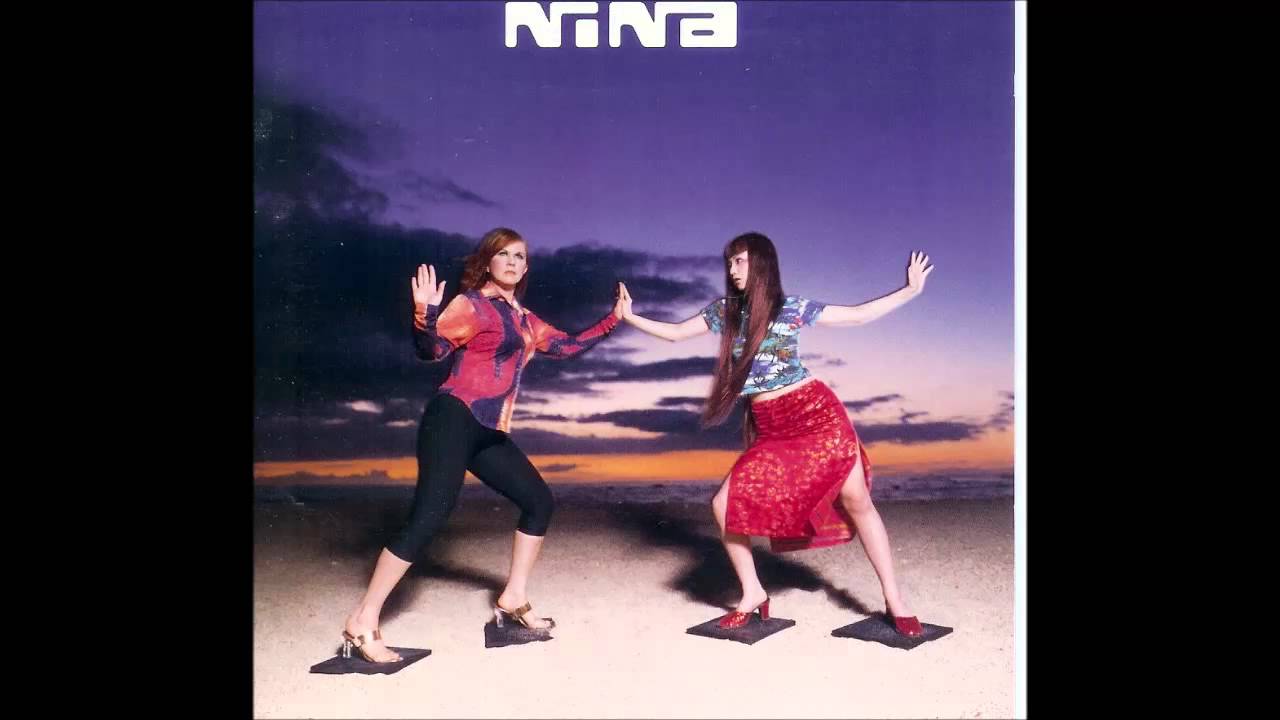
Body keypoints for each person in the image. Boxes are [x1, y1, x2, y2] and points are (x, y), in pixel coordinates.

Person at [616, 232, 934, 636]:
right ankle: (753, 592)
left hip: (817, 415)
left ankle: (895, 601)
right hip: (772, 426)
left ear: (762, 263)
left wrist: (909, 291)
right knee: (723, 504)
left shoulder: (791, 308)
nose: (732, 270)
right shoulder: (725, 312)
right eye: (729, 262)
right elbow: (677, 332)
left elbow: (855, 315)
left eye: (740, 261)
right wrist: (630, 317)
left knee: (856, 499)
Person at [341, 227, 625, 662]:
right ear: (488, 262)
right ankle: (362, 620)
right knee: (429, 517)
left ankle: (513, 597)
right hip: (453, 418)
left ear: (526, 268)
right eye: (503, 254)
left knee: (538, 502)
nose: (512, 262)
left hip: (489, 430)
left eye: (519, 256)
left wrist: (614, 319)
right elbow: (433, 350)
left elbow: (567, 346)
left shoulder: (526, 320)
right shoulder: (473, 304)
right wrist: (423, 314)